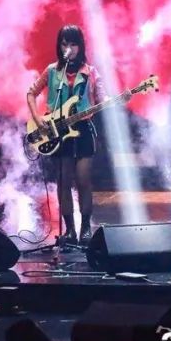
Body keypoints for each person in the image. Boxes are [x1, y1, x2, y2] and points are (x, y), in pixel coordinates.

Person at [27, 25, 116, 244]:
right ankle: (69, 231)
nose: (69, 48)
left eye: (73, 44)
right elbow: (31, 93)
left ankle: (85, 228)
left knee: (84, 180)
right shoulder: (51, 71)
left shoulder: (90, 72)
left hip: (83, 130)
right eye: (65, 44)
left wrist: (112, 101)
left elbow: (102, 97)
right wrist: (38, 119)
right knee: (63, 182)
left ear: (81, 46)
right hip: (57, 130)